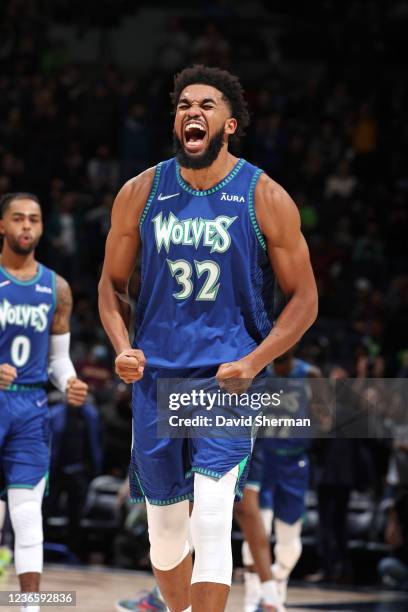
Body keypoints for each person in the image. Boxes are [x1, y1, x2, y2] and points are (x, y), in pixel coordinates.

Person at [98, 65, 318, 612]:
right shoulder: (140, 192)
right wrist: (122, 345)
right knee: (167, 535)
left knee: (216, 517)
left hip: (226, 381)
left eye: (207, 106)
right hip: (157, 383)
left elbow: (306, 300)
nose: (192, 112)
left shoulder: (264, 195)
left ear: (230, 125)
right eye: (183, 105)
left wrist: (255, 360)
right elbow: (109, 285)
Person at [0, 192, 88, 612]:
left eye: (33, 219)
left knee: (27, 512)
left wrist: (69, 381)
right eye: (18, 219)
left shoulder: (57, 288)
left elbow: (58, 360)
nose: (26, 226)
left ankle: (29, 607)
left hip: (30, 408)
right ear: (3, 226)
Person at [236, 349, 320, 612]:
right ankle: (253, 600)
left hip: (295, 463)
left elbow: (325, 418)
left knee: (290, 544)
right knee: (257, 529)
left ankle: (276, 583)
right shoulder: (259, 372)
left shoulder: (310, 376)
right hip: (263, 460)